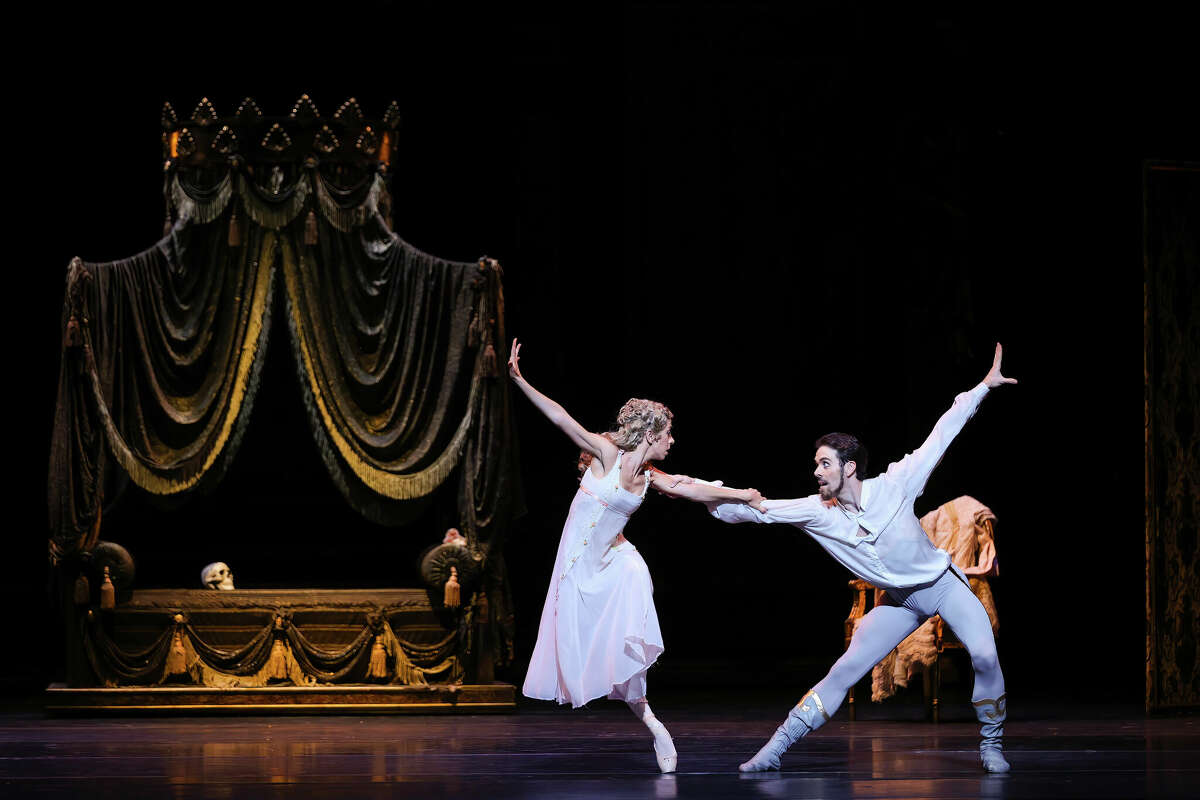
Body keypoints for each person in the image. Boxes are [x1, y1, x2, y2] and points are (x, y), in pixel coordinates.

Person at [708, 343, 1017, 774]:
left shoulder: (896, 483)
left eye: (824, 464)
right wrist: (709, 494)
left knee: (984, 655)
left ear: (849, 467)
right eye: (816, 465)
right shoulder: (817, 510)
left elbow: (944, 431)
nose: (816, 472)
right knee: (845, 669)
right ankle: (775, 748)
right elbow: (757, 512)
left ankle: (991, 744)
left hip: (942, 585)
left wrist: (984, 386)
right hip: (901, 600)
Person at [508, 338, 764, 773]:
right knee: (579, 642)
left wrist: (743, 493)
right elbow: (562, 419)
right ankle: (644, 715)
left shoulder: (650, 477)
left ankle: (654, 723)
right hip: (577, 567)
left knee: (633, 592)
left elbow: (690, 487)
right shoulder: (608, 455)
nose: (672, 440)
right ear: (650, 435)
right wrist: (519, 379)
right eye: (668, 434)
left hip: (616, 562)